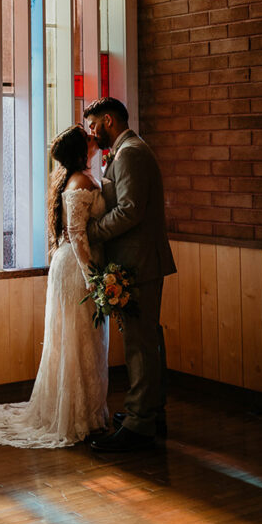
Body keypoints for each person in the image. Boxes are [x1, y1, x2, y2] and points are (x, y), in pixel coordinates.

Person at [0, 125, 109, 448]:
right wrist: (95, 280)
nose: (93, 137)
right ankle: (79, 418)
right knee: (79, 340)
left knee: (77, 341)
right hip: (77, 270)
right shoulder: (80, 181)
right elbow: (79, 236)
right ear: (80, 151)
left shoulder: (76, 178)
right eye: (88, 137)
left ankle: (85, 414)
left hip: (67, 266)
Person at [84, 96, 176, 453]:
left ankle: (140, 422)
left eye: (93, 125)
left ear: (108, 120)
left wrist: (92, 232)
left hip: (141, 261)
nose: (92, 133)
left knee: (141, 342)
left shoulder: (131, 153)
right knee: (146, 338)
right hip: (139, 260)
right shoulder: (127, 151)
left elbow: (130, 211)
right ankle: (151, 411)